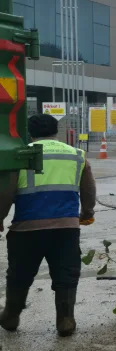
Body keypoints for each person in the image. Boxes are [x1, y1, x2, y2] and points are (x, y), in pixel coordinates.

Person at [0, 114, 96, 337]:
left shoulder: (21, 156)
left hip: (26, 229)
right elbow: (89, 190)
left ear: (30, 133)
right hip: (66, 229)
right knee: (66, 273)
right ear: (56, 131)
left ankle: (11, 316)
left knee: (19, 274)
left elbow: (6, 192)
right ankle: (65, 319)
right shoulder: (77, 155)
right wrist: (86, 213)